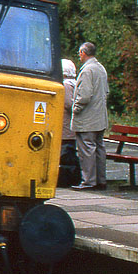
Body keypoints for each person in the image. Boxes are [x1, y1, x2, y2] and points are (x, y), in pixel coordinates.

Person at [71, 41, 110, 190]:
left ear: (83, 53)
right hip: (100, 116)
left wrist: (76, 108)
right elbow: (106, 92)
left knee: (86, 149)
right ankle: (101, 180)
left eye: (79, 53)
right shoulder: (101, 68)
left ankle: (88, 181)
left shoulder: (87, 71)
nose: (79, 56)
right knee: (99, 148)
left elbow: (85, 95)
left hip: (87, 117)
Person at [58, 58, 82, 187]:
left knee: (67, 152)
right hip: (71, 123)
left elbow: (68, 103)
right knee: (70, 151)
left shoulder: (66, 84)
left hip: (66, 124)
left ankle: (69, 178)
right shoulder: (74, 82)